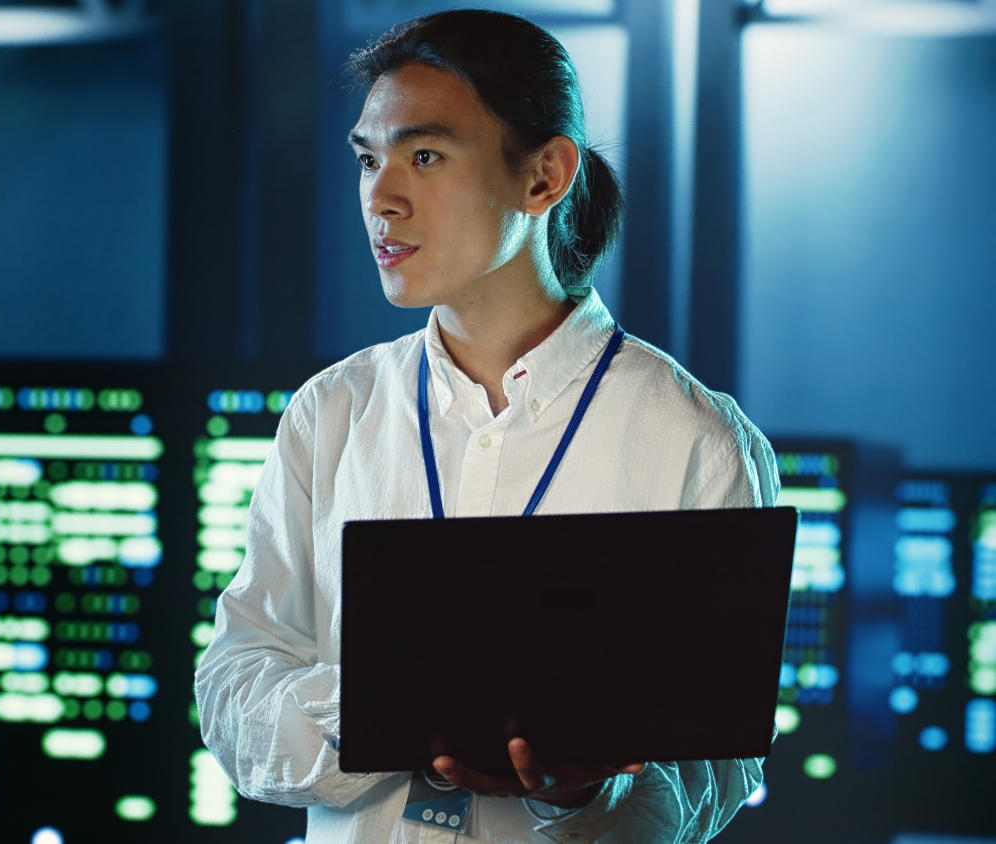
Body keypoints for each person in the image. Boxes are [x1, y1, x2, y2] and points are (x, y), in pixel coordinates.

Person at [194, 9, 778, 843]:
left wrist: (577, 794)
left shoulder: (695, 439)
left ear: (544, 177)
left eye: (424, 155)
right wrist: (390, 700)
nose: (381, 197)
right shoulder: (333, 411)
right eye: (368, 159)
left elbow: (714, 775)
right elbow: (233, 688)